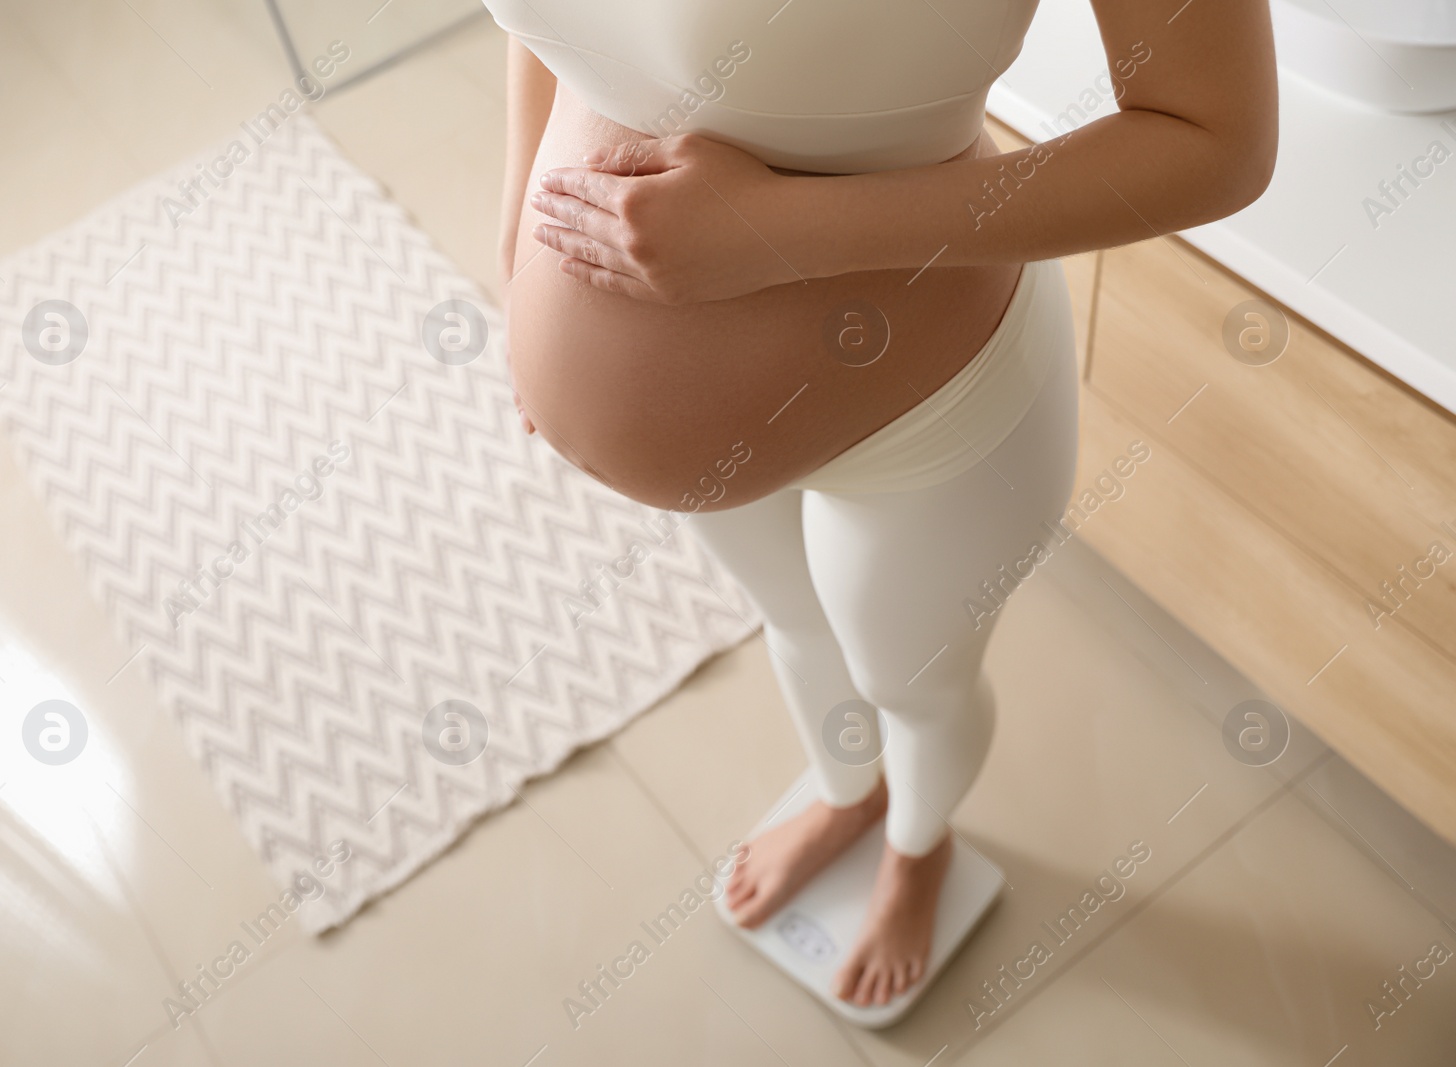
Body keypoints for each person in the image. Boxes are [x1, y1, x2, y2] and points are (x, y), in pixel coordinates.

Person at [489, 0, 1277, 1009]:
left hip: (930, 406)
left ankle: (916, 849)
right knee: (798, 627)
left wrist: (775, 235)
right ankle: (845, 796)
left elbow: (1214, 142)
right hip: (711, 449)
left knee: (911, 687)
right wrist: (518, 251)